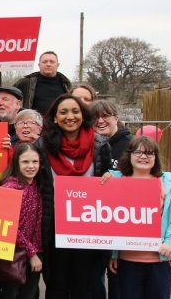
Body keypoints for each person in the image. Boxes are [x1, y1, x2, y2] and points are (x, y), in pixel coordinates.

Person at [37, 94, 112, 299]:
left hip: (88, 227)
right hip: (54, 228)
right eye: (63, 112)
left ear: (83, 114)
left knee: (85, 286)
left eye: (75, 111)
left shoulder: (100, 145)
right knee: (56, 286)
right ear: (54, 118)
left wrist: (110, 177)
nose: (70, 116)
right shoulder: (42, 146)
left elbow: (110, 181)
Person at [104, 136, 171, 299]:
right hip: (127, 261)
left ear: (156, 158)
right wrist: (115, 253)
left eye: (150, 153)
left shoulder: (168, 184)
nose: (144, 156)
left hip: (159, 261)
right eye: (138, 152)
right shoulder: (115, 181)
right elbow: (109, 218)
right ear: (129, 155)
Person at [0, 143, 44, 299]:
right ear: (17, 163)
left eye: (35, 161)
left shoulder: (37, 185)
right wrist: (32, 254)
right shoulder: (10, 188)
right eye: (25, 162)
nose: (31, 166)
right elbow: (9, 226)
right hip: (13, 255)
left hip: (34, 253)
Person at [91, 100, 132, 169]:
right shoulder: (87, 145)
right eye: (96, 117)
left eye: (105, 116)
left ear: (116, 119)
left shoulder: (130, 145)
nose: (100, 121)